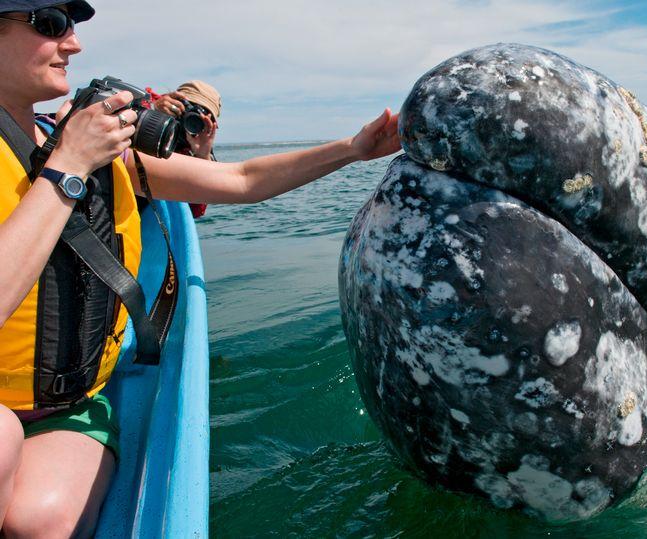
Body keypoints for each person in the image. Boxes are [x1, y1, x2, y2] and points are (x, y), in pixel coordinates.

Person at [0, 1, 400, 536]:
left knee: (40, 522)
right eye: (49, 25)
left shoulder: (106, 153)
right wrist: (69, 165)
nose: (73, 44)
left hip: (64, 406)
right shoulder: (78, 153)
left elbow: (242, 180)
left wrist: (352, 150)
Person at [152, 80, 221, 217]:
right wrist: (153, 113)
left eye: (201, 115)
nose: (191, 119)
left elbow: (195, 211)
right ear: (175, 101)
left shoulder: (196, 149)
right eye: (190, 108)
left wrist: (202, 156)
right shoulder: (148, 108)